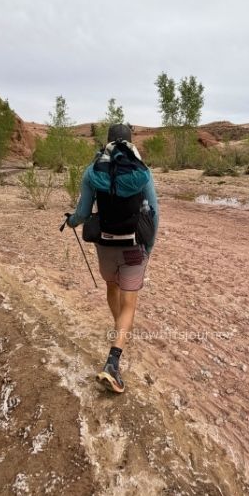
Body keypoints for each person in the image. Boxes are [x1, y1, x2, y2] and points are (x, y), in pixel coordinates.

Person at [66, 123, 159, 393]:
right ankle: (113, 362)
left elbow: (83, 213)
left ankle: (120, 330)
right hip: (133, 246)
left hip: (105, 245)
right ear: (130, 142)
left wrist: (71, 222)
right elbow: (154, 212)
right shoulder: (142, 171)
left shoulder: (93, 170)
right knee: (129, 303)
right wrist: (149, 246)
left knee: (111, 287)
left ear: (106, 141)